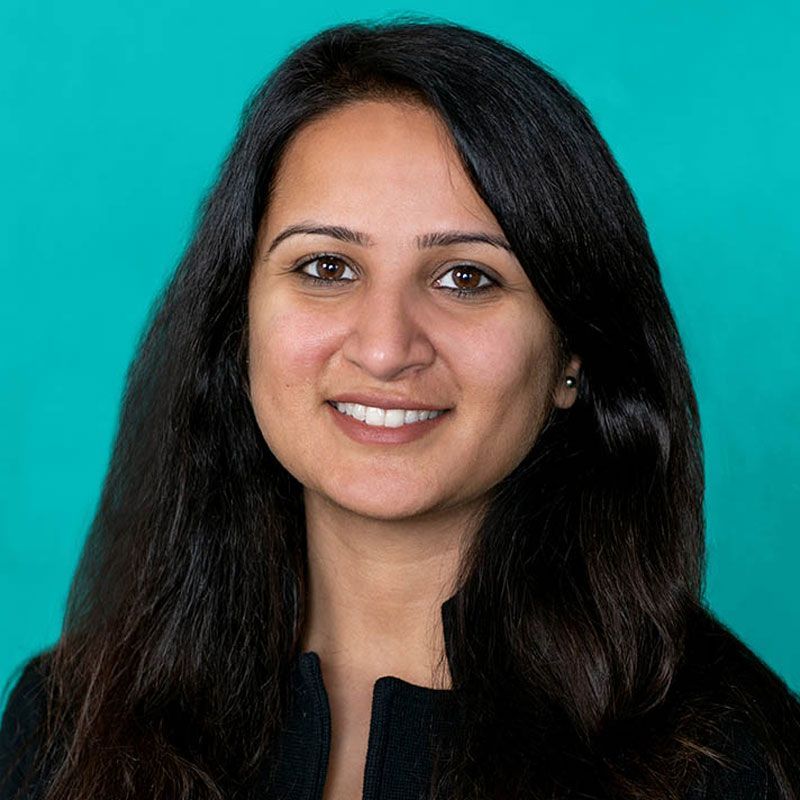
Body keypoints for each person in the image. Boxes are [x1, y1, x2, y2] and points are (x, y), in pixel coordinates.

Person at [1, 16, 798, 800]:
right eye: (325, 266)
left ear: (571, 354)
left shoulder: (721, 760)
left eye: (466, 279)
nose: (385, 349)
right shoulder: (66, 725)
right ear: (238, 321)